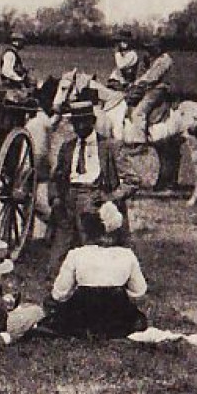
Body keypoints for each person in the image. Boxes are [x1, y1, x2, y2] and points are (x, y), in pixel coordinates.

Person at [39, 209, 149, 338]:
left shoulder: (76, 254)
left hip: (83, 311)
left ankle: (83, 329)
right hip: (116, 312)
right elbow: (139, 292)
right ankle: (112, 329)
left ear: (87, 232)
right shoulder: (127, 255)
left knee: (55, 312)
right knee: (136, 319)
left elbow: (60, 293)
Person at [47, 98, 129, 273]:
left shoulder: (110, 147)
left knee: (94, 257)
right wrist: (54, 198)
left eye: (84, 121)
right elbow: (55, 178)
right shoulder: (67, 147)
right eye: (76, 122)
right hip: (68, 203)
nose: (79, 127)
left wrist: (111, 198)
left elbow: (132, 180)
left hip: (95, 201)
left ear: (93, 122)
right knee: (55, 266)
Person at [133, 38, 175, 120]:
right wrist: (136, 83)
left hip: (159, 89)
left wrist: (138, 84)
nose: (149, 51)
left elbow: (153, 78)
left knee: (138, 114)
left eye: (151, 48)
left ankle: (139, 131)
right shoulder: (157, 59)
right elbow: (147, 74)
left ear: (158, 48)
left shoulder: (164, 60)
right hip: (153, 88)